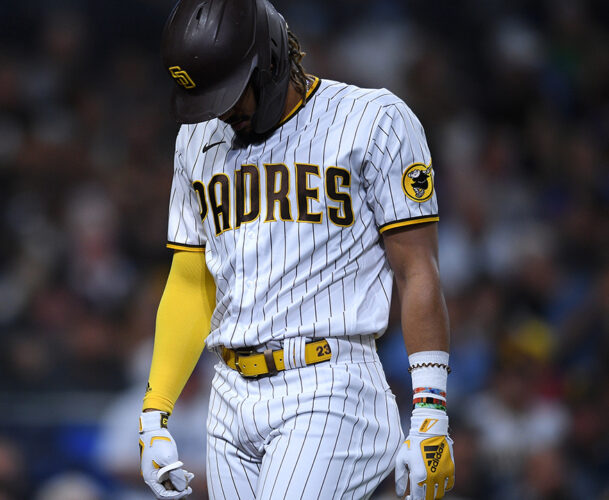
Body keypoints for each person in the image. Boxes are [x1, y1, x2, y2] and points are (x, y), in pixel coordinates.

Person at [137, 0, 456, 499]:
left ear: (270, 62)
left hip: (329, 385)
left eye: (229, 93)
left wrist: (431, 409)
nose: (220, 111)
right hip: (229, 395)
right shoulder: (195, 142)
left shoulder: (372, 119)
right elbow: (190, 278)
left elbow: (417, 269)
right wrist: (155, 409)